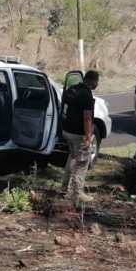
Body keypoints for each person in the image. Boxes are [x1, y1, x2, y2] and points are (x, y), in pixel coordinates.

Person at [60, 70, 100, 203]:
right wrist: (88, 138)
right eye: (97, 82)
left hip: (66, 130)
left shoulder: (72, 89)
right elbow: (87, 118)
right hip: (78, 133)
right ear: (93, 81)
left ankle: (64, 188)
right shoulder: (86, 95)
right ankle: (77, 192)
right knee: (82, 162)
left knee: (72, 156)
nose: (97, 84)